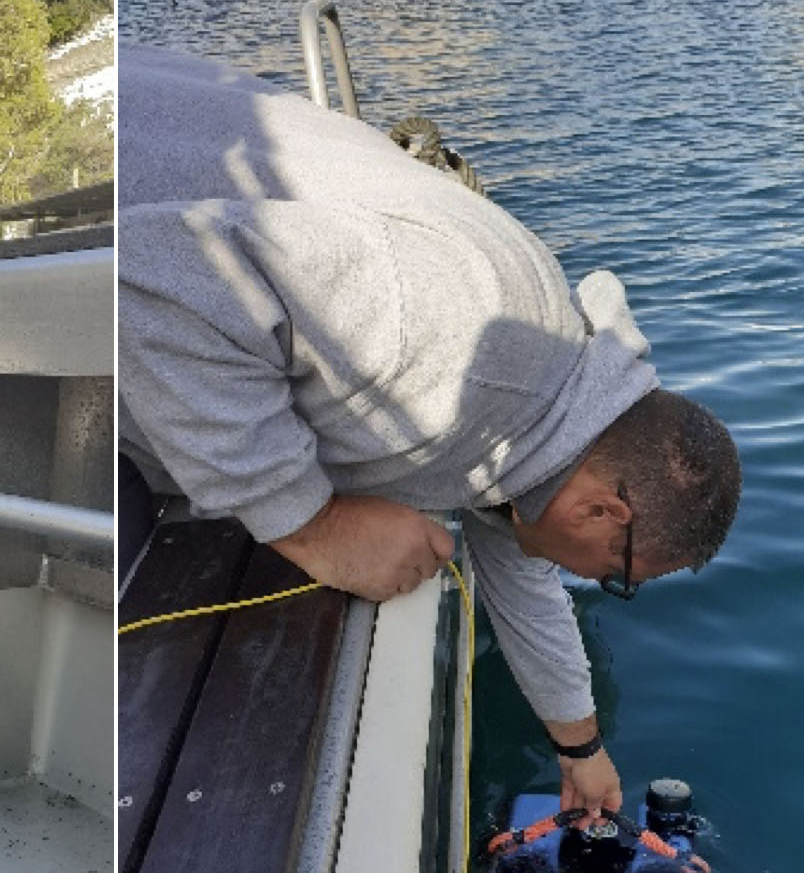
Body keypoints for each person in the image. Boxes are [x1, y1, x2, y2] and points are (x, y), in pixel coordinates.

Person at [118, 46, 741, 819]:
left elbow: (521, 580)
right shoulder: (447, 331)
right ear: (603, 513)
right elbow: (152, 276)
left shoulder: (548, 418)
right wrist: (311, 523)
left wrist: (581, 751)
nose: (595, 586)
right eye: (617, 578)